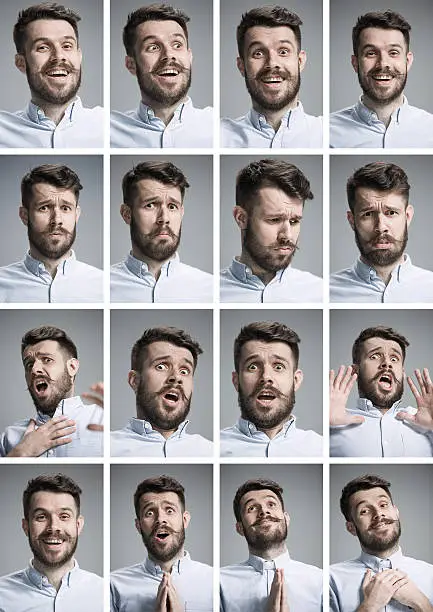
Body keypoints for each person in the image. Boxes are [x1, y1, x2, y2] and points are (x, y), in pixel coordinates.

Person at [0, 3, 103, 148]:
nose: (59, 56)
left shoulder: (108, 127)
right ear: (21, 63)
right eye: (43, 47)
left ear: (79, 56)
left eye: (67, 45)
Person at [220, 159, 323, 302]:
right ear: (241, 218)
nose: (287, 235)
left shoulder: (321, 292)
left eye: (294, 221)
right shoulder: (211, 292)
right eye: (274, 220)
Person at [110, 4, 213, 147]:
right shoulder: (107, 131)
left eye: (177, 45)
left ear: (189, 57)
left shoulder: (218, 129)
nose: (169, 55)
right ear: (131, 64)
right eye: (153, 47)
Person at [110, 161, 213, 303]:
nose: (164, 218)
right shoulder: (102, 287)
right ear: (127, 214)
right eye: (150, 205)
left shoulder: (211, 290)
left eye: (172, 206)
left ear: (181, 212)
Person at [330, 162, 433, 303]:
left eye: (391, 212)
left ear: (407, 216)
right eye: (368, 214)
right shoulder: (326, 292)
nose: (381, 227)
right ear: (352, 220)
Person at [221, 6, 322, 148]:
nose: (272, 63)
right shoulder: (218, 136)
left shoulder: (329, 134)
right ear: (241, 66)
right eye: (258, 53)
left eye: (283, 51)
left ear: (300, 61)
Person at [0, 163, 103, 303]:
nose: (57, 220)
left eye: (65, 208)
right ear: (24, 215)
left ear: (76, 215)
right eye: (44, 208)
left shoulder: (104, 285)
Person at [0, 473, 103, 612]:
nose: (53, 527)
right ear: (26, 526)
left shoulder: (105, 594)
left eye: (64, 516)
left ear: (78, 525)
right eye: (41, 517)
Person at [330, 10, 433, 148]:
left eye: (393, 52)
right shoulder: (325, 132)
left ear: (408, 61)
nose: (383, 63)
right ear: (355, 63)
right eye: (371, 53)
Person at [330, 474, 433, 612]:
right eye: (365, 511)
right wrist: (370, 606)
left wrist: (421, 602)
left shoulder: (430, 574)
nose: (378, 514)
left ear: (396, 512)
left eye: (383, 505)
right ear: (351, 527)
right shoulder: (330, 580)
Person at [110, 475, 213, 611]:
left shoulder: (215, 581)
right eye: (150, 513)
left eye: (169, 510)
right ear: (138, 525)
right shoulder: (113, 586)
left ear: (185, 520)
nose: (160, 519)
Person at [220, 321, 322, 457]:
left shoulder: (322, 449)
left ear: (296, 380)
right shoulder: (213, 449)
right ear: (236, 381)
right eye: (253, 367)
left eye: (278, 367)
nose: (266, 377)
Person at [220, 478, 322, 611]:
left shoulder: (320, 580)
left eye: (271, 504)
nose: (263, 511)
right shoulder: (219, 583)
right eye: (252, 508)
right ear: (240, 528)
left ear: (286, 519)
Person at [0, 325, 103, 457]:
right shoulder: (8, 438)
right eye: (29, 364)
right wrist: (21, 453)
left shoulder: (101, 420)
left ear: (72, 367)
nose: (34, 369)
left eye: (47, 360)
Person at [330, 325, 433, 457]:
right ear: (356, 370)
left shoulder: (427, 422)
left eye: (394, 358)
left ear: (402, 373)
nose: (387, 363)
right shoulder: (335, 422)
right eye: (374, 356)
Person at [111, 327, 213, 457]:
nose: (176, 377)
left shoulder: (211, 451)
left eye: (184, 371)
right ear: (135, 380)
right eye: (161, 366)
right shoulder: (105, 448)